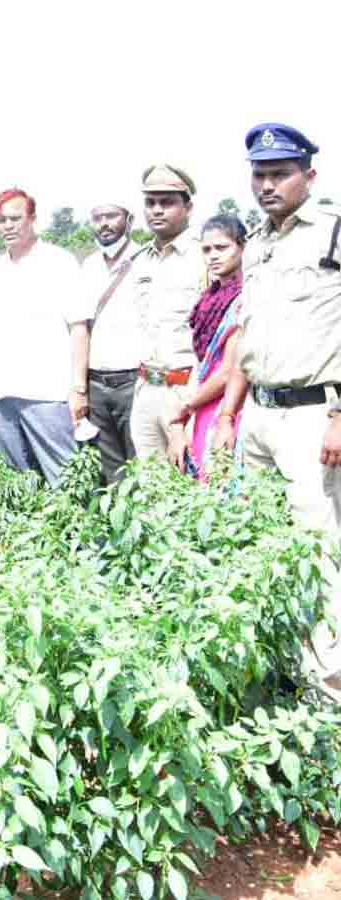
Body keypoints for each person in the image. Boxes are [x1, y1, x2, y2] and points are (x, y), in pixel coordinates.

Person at [215, 123, 341, 689]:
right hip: (262, 415)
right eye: (259, 174)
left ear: (308, 177)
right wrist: (229, 414)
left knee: (319, 542)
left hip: (313, 413)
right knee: (265, 539)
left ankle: (328, 675)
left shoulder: (332, 234)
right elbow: (249, 334)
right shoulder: (258, 241)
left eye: (280, 173)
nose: (267, 184)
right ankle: (284, 663)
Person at [0, 189, 89, 486]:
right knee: (18, 485)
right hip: (2, 398)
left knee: (65, 480)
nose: (8, 226)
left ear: (33, 219)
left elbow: (79, 328)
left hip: (48, 395)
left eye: (15, 218)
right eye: (1, 220)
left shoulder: (59, 262)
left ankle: (79, 534)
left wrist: (78, 388)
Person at [126, 165, 203, 461]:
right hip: (146, 388)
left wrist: (192, 401)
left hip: (186, 390)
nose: (157, 210)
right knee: (150, 489)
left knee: (190, 485)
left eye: (167, 202)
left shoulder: (204, 255)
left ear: (188, 207)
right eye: (150, 202)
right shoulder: (141, 261)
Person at [166, 215, 247, 480]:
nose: (213, 256)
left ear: (242, 247)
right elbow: (204, 362)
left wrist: (185, 406)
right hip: (204, 400)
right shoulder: (209, 298)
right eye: (207, 249)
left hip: (232, 405)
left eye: (222, 248)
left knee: (225, 485)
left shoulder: (245, 297)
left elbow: (228, 371)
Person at [82, 197, 145, 483]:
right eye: (98, 217)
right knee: (110, 471)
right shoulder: (88, 266)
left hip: (134, 381)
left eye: (112, 216)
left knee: (141, 462)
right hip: (96, 384)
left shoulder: (145, 259)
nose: (104, 224)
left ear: (129, 220)